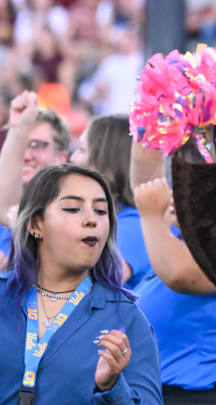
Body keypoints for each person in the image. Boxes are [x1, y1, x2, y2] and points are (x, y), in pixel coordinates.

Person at [0, 163, 162, 404]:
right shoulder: (3, 295)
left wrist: (111, 386)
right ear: (35, 224)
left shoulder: (125, 317)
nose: (91, 220)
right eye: (73, 208)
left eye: (101, 211)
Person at [130, 142, 216, 404]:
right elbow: (146, 183)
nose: (176, 195)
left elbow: (179, 274)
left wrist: (151, 216)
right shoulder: (178, 239)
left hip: (196, 397)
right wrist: (151, 116)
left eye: (190, 191)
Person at [72, 114, 151, 289]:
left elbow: (95, 283)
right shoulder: (98, 218)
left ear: (108, 162)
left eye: (82, 150)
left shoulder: (135, 225)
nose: (73, 159)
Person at [0, 91, 71, 257]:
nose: (25, 156)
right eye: (21, 146)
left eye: (36, 145)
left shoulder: (69, 211)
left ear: (62, 156)